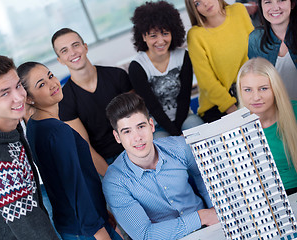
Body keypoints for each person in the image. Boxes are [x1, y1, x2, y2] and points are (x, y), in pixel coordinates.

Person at [17, 61, 123, 240]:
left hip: (77, 224)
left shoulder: (35, 126)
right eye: (41, 84)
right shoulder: (57, 132)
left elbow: (68, 182)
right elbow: (76, 187)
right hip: (88, 230)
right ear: (28, 98)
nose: (52, 84)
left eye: (50, 76)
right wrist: (99, 230)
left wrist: (101, 212)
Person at [103, 92, 218, 240]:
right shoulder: (115, 182)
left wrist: (215, 209)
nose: (137, 137)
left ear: (151, 125)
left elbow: (205, 177)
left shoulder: (179, 147)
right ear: (117, 137)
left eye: (141, 126)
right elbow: (144, 234)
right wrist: (201, 217)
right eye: (127, 131)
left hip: (210, 228)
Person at [0, 54, 59, 239]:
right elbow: (34, 232)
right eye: (5, 93)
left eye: (18, 85)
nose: (19, 96)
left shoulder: (4, 124)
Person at [52, 28, 132, 176]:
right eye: (64, 50)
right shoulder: (65, 100)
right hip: (104, 162)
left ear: (85, 47)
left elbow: (138, 120)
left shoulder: (117, 76)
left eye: (76, 45)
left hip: (133, 146)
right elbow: (85, 147)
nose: (73, 53)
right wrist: (115, 178)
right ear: (60, 60)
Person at [129, 1, 203, 139]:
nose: (161, 41)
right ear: (144, 37)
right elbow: (152, 106)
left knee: (198, 129)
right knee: (162, 145)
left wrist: (179, 128)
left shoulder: (183, 56)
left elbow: (184, 97)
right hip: (156, 125)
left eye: (165, 33)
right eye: (153, 36)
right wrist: (175, 134)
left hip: (185, 117)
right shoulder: (137, 67)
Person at [185, 0, 254, 123]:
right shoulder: (195, 35)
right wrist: (232, 109)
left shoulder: (239, 11)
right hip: (218, 106)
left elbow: (254, 52)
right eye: (197, 3)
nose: (205, 3)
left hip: (250, 91)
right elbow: (207, 81)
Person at [237, 57, 297, 195]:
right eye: (248, 90)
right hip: (265, 199)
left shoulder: (295, 112)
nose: (256, 97)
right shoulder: (233, 130)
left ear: (275, 88)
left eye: (263, 88)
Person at [248, 0, 297, 100]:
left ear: (292, 4)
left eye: (281, 0)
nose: (275, 7)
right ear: (261, 6)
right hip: (274, 109)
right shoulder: (255, 38)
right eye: (268, 2)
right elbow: (255, 80)